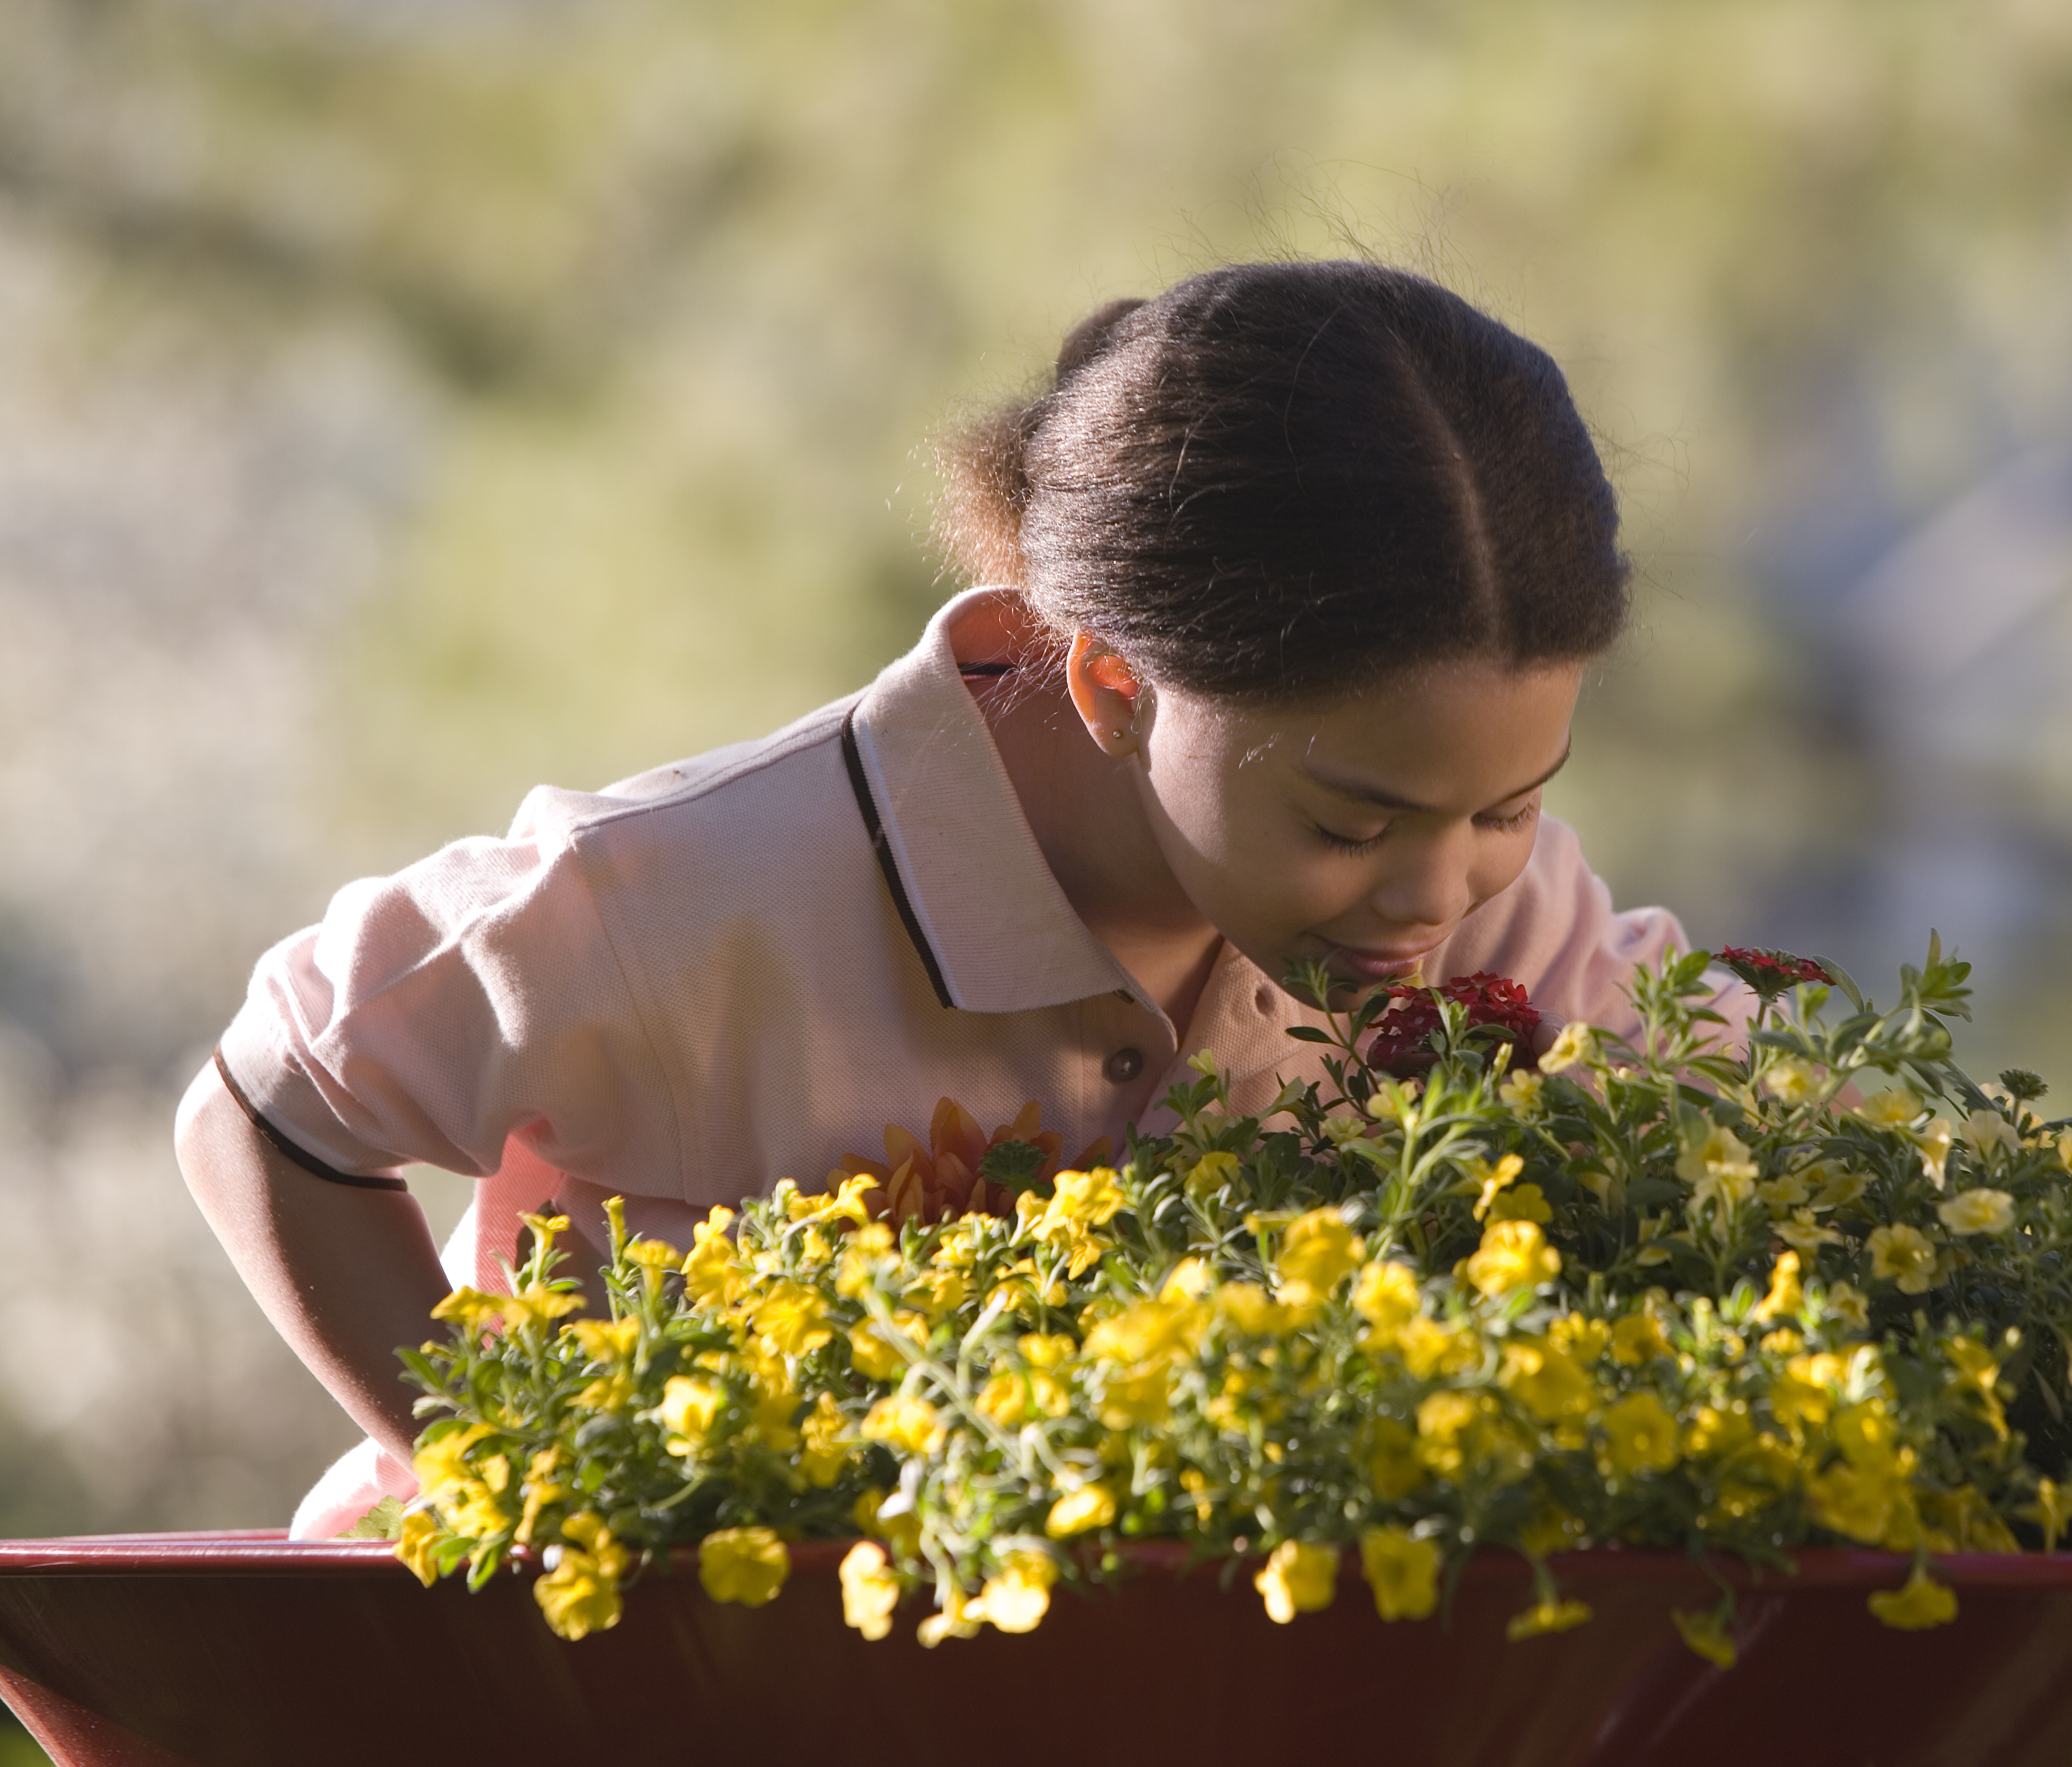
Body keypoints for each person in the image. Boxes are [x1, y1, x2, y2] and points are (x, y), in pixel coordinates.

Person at [175, 260, 1710, 1537]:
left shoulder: (1490, 925)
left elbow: (1743, 1143)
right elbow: (270, 1105)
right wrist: (528, 1481)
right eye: (1350, 819)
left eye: (1508, 805)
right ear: (1115, 684)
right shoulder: (692, 899)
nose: (1437, 895)